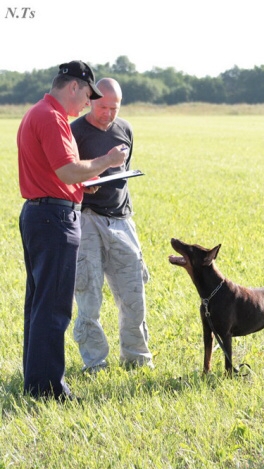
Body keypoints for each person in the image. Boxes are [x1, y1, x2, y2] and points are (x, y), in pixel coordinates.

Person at [17, 61, 127, 401]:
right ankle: (49, 389)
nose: (86, 105)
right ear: (74, 87)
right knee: (53, 307)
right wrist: (106, 162)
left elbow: (60, 174)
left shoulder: (38, 112)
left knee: (39, 304)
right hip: (54, 219)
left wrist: (85, 182)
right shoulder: (52, 117)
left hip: (41, 213)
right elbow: (66, 171)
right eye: (87, 96)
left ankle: (37, 382)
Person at [71, 78, 153, 373]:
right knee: (88, 295)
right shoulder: (74, 131)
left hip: (121, 219)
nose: (108, 113)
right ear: (90, 100)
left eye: (114, 107)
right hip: (87, 218)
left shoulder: (126, 129)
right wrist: (85, 184)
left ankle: (137, 358)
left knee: (133, 293)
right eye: (102, 106)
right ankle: (94, 364)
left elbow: (124, 168)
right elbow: (68, 174)